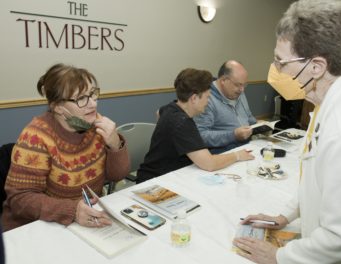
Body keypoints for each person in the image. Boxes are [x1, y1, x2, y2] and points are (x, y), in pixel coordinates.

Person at [234, 0, 341, 263]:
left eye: (281, 61)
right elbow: (316, 181)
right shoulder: (328, 105)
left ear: (316, 67)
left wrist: (278, 256)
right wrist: (285, 216)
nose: (276, 70)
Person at [2, 63, 130, 231]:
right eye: (81, 99)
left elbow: (117, 175)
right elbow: (20, 199)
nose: (92, 104)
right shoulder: (35, 137)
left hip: (84, 221)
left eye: (93, 94)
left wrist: (115, 145)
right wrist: (72, 210)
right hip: (36, 227)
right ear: (58, 108)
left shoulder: (94, 123)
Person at [136, 68, 254, 183]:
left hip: (160, 173)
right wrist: (237, 155)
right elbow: (210, 164)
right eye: (207, 97)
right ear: (194, 98)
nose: (208, 102)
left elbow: (158, 112)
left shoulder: (171, 108)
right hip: (156, 181)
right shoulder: (182, 122)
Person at [194, 60, 265, 154]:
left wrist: (259, 125)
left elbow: (249, 117)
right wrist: (233, 135)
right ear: (223, 80)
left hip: (247, 147)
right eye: (238, 85)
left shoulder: (239, 92)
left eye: (244, 85)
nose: (242, 90)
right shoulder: (206, 99)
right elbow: (201, 136)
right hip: (224, 153)